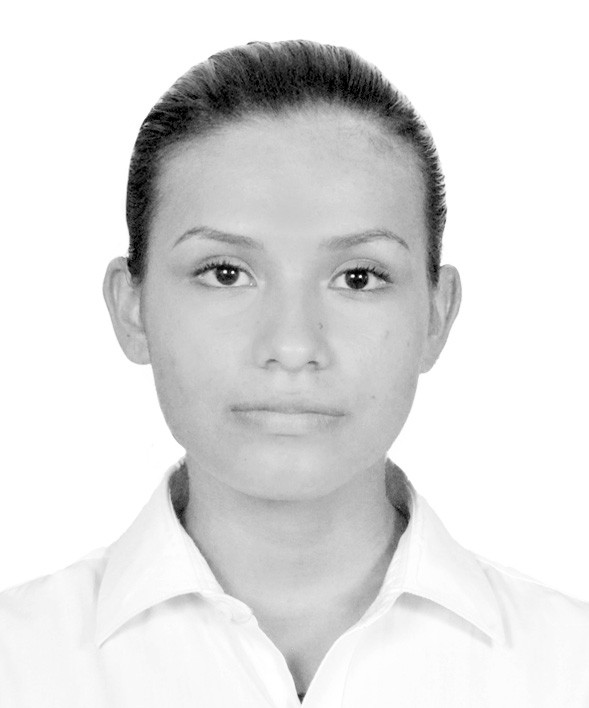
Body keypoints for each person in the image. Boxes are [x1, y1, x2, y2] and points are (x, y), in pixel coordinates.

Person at [1, 38, 588, 708]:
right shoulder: (18, 664)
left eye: (358, 277)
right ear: (131, 307)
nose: (291, 345)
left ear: (436, 313)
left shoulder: (569, 667)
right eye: (225, 273)